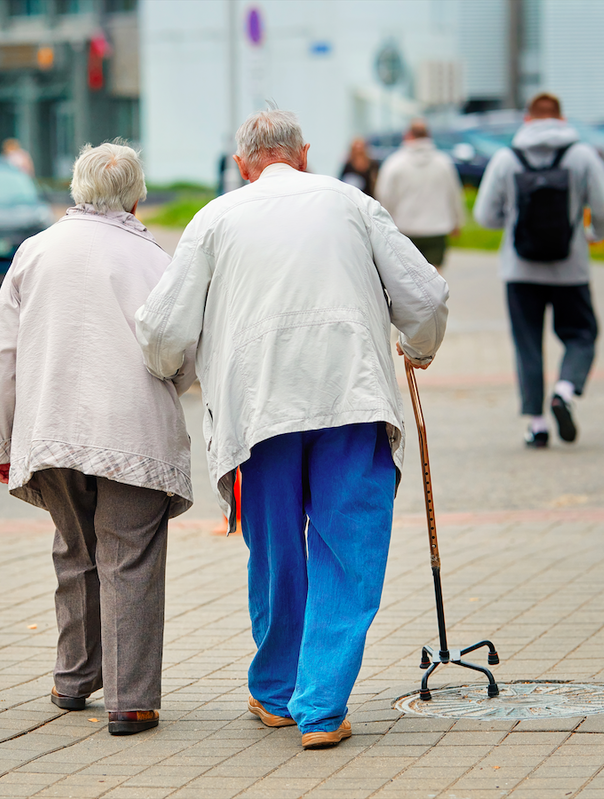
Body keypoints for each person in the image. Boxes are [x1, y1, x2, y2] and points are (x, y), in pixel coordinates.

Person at [135, 109, 449, 751]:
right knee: (347, 550)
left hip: (259, 410)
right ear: (303, 154)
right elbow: (425, 296)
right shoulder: (352, 204)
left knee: (276, 549)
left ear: (241, 164)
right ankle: (321, 707)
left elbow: (164, 328)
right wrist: (418, 348)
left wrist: (171, 370)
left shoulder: (217, 217)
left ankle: (277, 692)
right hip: (350, 396)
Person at [0, 141, 194, 737]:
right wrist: (177, 380)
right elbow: (180, 348)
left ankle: (73, 679)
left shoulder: (35, 252)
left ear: (76, 189)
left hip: (49, 429)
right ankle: (131, 701)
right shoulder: (154, 259)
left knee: (74, 550)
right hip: (132, 429)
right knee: (130, 557)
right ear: (136, 193)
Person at [472, 92, 604, 448]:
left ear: (527, 120)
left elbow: (484, 215)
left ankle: (537, 425)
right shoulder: (581, 155)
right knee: (581, 335)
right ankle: (565, 392)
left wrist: (514, 224)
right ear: (562, 120)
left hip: (520, 270)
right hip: (571, 267)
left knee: (527, 344)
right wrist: (593, 234)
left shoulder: (507, 158)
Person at [375, 118, 467, 268]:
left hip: (404, 229)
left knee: (408, 276)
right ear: (428, 135)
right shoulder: (443, 162)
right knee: (435, 277)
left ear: (408, 135)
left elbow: (385, 196)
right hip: (437, 229)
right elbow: (454, 194)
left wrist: (384, 223)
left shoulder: (394, 163)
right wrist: (457, 221)